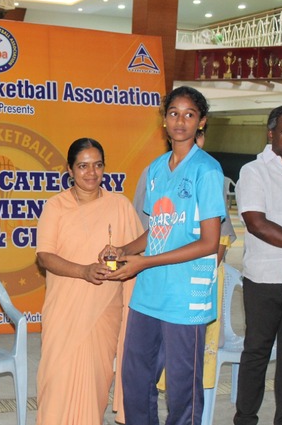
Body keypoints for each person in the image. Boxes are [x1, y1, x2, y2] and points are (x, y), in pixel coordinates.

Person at [101, 85, 226, 425]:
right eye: (173, 113)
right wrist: (124, 250)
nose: (180, 121)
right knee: (136, 377)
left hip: (185, 295)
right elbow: (158, 229)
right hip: (150, 292)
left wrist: (144, 262)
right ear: (164, 120)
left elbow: (209, 243)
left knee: (183, 388)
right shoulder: (156, 169)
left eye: (189, 115)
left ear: (201, 122)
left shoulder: (207, 170)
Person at [36, 138, 143, 425]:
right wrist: (83, 271)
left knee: (95, 383)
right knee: (56, 381)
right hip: (64, 310)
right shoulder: (56, 207)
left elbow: (138, 250)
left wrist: (121, 256)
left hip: (105, 309)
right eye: (83, 166)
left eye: (97, 165)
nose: (91, 173)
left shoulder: (120, 206)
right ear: (69, 170)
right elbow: (45, 256)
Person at [233, 105, 282, 425]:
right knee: (257, 353)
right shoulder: (254, 171)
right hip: (264, 280)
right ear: (271, 134)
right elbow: (257, 224)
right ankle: (245, 419)